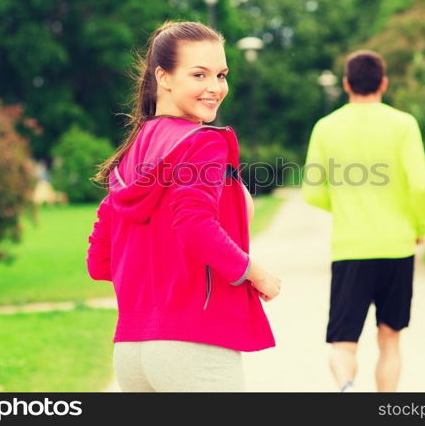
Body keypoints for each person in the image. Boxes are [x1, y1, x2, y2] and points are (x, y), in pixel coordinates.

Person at [86, 21, 280, 392]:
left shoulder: (131, 152)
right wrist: (256, 273)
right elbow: (195, 225)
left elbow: (99, 261)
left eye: (221, 74)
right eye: (199, 74)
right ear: (165, 77)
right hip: (195, 347)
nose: (215, 87)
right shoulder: (202, 142)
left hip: (132, 352)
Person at [302, 50, 425, 392]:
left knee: (343, 343)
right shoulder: (404, 124)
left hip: (350, 250)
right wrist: (420, 227)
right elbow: (420, 185)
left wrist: (346, 205)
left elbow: (313, 192)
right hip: (397, 247)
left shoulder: (326, 127)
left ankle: (346, 385)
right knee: (390, 341)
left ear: (347, 84)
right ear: (384, 84)